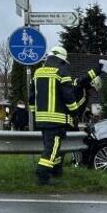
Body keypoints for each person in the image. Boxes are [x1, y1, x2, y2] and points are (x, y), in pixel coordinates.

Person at [28, 46, 81, 185]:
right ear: (62, 59)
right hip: (56, 120)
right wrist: (75, 111)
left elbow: (32, 97)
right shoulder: (62, 71)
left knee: (51, 147)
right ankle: (42, 174)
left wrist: (35, 114)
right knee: (52, 149)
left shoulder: (38, 72)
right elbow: (68, 95)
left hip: (41, 119)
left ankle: (56, 171)